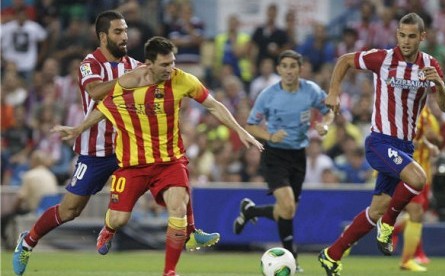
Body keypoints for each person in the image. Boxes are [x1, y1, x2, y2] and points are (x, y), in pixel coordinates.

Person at [11, 11, 218, 276]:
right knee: (70, 209)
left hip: (130, 148)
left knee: (174, 163)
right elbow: (96, 92)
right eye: (118, 32)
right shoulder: (90, 64)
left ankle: (189, 231)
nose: (125, 36)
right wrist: (129, 80)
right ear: (103, 36)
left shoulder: (135, 65)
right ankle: (28, 241)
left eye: (126, 30)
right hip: (94, 151)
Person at [53, 36, 264, 276]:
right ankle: (108, 229)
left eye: (172, 62)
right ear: (148, 63)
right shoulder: (128, 83)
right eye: (164, 65)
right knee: (120, 219)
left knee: (178, 205)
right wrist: (78, 129)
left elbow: (213, 105)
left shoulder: (182, 80)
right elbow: (103, 109)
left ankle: (169, 271)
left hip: (169, 161)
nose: (170, 69)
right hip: (133, 165)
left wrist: (240, 130)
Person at [318, 13, 445, 276]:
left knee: (377, 208)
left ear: (422, 37)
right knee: (417, 179)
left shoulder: (430, 65)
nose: (405, 41)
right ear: (397, 35)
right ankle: (389, 224)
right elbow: (345, 60)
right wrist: (333, 92)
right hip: (380, 141)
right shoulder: (383, 58)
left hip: (405, 146)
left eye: (412, 36)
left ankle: (332, 254)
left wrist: (439, 83)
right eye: (402, 35)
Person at [233, 49, 335, 272]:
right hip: (274, 154)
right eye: (285, 66)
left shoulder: (311, 91)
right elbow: (250, 125)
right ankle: (293, 259)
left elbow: (329, 111)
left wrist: (325, 124)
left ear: (300, 69)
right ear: (279, 69)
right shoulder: (268, 95)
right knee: (288, 205)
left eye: (293, 66)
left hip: (298, 155)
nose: (289, 70)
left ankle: (250, 211)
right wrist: (269, 136)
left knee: (287, 211)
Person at [393, 104, 440, 271]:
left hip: (422, 171)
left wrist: (431, 142)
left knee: (416, 212)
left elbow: (430, 137)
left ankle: (410, 253)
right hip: (405, 170)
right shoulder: (404, 107)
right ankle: (410, 256)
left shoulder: (427, 111)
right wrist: (425, 143)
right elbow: (402, 142)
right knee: (414, 211)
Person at [1, 150, 59, 243]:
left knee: (6, 217)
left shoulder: (30, 175)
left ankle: (6, 242)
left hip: (37, 209)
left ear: (33, 161)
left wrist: (13, 209)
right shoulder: (50, 174)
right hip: (51, 209)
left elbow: (21, 197)